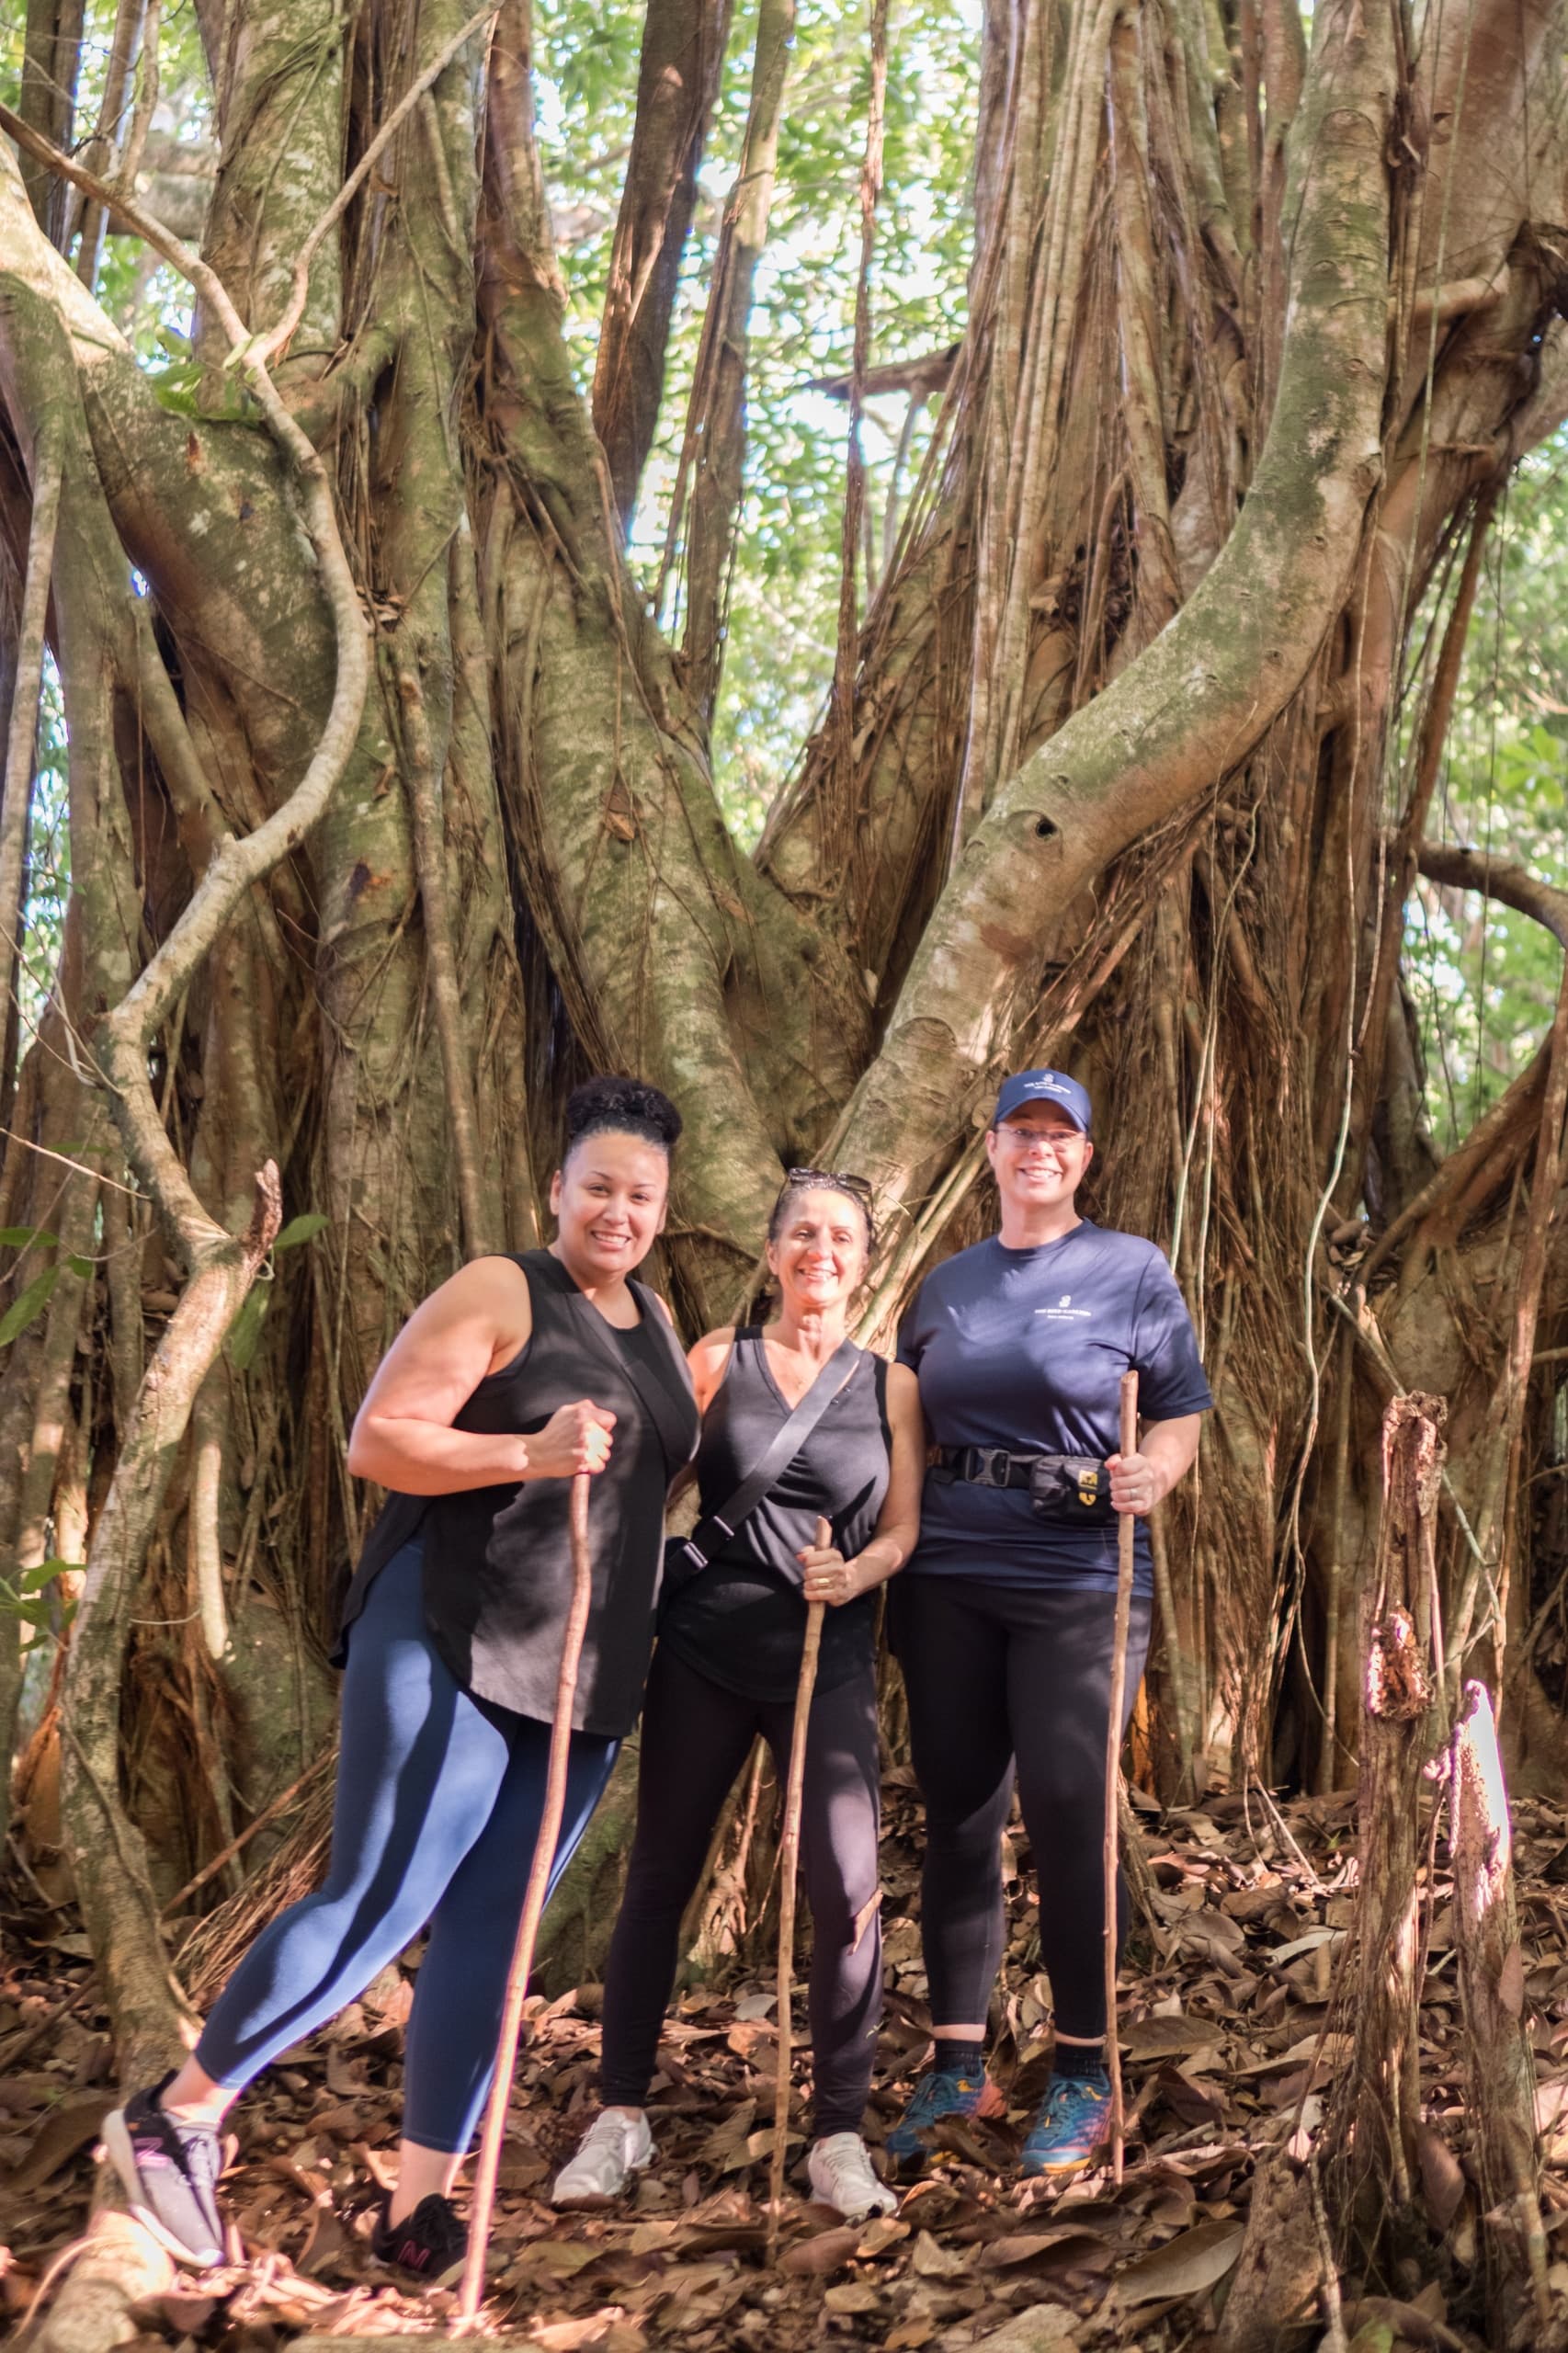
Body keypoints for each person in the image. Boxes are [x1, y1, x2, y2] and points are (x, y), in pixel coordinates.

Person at [104, 1077, 700, 2279]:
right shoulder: (500, 1290)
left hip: (580, 1674)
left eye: (640, 1195)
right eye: (598, 1188)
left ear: (663, 1208)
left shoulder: (659, 1322)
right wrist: (523, 1450)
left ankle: (420, 2201)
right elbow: (377, 1438)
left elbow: (650, 1483)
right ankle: (176, 2118)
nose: (617, 1211)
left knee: (495, 1926)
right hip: (450, 1630)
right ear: (557, 1189)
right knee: (379, 1898)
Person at [551, 1169, 925, 2222]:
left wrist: (858, 1572)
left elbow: (903, 1527)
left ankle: (838, 2134)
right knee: (660, 1875)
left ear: (863, 1261)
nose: (821, 1250)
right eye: (802, 1232)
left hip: (828, 1655)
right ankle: (619, 2114)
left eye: (842, 1237)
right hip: (704, 1654)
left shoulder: (887, 1385)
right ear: (772, 1253)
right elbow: (640, 1488)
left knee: (846, 1895)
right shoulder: (721, 1359)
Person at [884, 1068, 1211, 2179]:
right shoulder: (943, 1287)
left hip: (1079, 1568)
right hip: (948, 1570)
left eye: (1057, 1134)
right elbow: (900, 1430)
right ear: (989, 1149)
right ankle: (955, 2063)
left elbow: (1177, 1412)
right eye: (1019, 1130)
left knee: (1069, 1802)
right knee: (960, 1805)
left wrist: (1153, 1478)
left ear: (1081, 1156)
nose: (1037, 1148)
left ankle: (1081, 2068)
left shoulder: (1128, 1269)